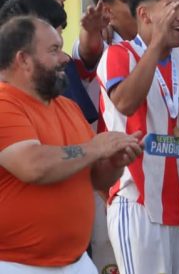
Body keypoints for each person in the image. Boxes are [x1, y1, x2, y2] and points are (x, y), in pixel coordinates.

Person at [0, 16, 141, 273]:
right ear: (23, 60)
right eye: (54, 50)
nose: (65, 58)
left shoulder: (68, 107)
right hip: (15, 264)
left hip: (76, 262)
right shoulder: (4, 104)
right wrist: (96, 148)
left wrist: (114, 162)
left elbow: (95, 179)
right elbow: (33, 166)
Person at [97, 0, 179, 274]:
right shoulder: (119, 55)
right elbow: (126, 103)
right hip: (138, 201)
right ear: (144, 14)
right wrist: (156, 45)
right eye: (172, 8)